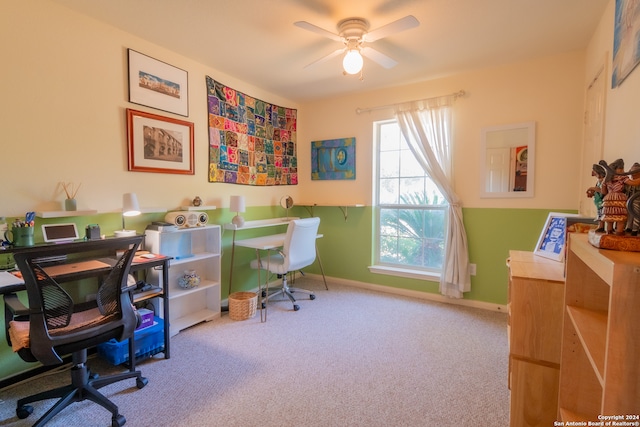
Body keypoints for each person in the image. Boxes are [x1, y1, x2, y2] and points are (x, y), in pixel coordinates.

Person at [586, 163, 606, 231]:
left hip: (602, 201)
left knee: (601, 213)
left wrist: (592, 188)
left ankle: (601, 226)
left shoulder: (603, 181)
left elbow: (602, 190)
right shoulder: (598, 181)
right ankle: (600, 226)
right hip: (598, 201)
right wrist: (592, 193)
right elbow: (597, 190)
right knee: (599, 213)